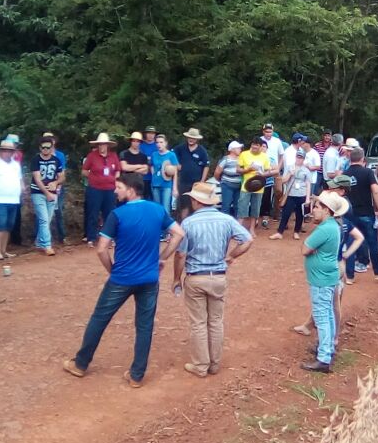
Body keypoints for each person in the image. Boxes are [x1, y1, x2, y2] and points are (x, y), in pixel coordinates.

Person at [64, 173, 184, 387]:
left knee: (99, 318)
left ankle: (80, 364)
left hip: (122, 278)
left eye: (119, 187)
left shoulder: (117, 215)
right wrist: (162, 258)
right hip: (149, 278)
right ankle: (137, 375)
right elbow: (179, 234)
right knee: (144, 325)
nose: (115, 191)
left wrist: (112, 270)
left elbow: (101, 249)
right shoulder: (158, 210)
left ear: (131, 190)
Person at [172, 182, 254, 377]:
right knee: (216, 321)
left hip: (196, 277)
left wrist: (176, 278)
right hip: (218, 276)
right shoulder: (226, 220)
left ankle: (201, 365)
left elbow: (181, 255)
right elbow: (247, 239)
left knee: (199, 323)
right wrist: (231, 256)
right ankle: (214, 364)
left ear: (196, 201)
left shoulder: (189, 223)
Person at [299, 192, 363, 373]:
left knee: (322, 316)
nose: (314, 209)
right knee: (327, 314)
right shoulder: (334, 225)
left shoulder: (325, 228)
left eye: (317, 207)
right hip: (328, 275)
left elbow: (305, 249)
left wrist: (311, 248)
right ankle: (327, 348)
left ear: (327, 210)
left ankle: (324, 357)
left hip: (321, 278)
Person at [342, 147, 378, 283]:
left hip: (349, 214)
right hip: (366, 213)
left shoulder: (345, 174)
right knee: (372, 243)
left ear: (350, 158)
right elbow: (376, 191)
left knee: (351, 243)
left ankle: (349, 276)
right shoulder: (368, 172)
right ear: (362, 158)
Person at [83, 133, 121, 246]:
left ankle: (109, 237)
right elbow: (84, 171)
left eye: (104, 144)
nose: (102, 146)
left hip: (110, 188)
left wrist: (115, 180)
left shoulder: (113, 156)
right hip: (95, 188)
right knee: (93, 213)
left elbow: (118, 170)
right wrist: (93, 177)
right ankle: (91, 237)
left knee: (109, 214)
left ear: (107, 145)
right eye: (100, 144)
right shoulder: (92, 156)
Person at [30, 135, 64, 255]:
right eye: (43, 147)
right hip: (38, 192)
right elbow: (37, 179)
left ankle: (39, 242)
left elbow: (62, 176)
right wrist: (47, 192)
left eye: (48, 147)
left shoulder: (56, 160)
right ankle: (47, 245)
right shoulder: (35, 160)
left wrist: (56, 183)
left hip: (52, 193)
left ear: (52, 147)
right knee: (44, 219)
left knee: (47, 220)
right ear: (40, 148)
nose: (45, 149)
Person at [271, 147, 312, 240]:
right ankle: (280, 232)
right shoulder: (290, 167)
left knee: (299, 214)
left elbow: (308, 184)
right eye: (298, 157)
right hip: (290, 194)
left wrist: (307, 198)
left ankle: (296, 232)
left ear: (303, 159)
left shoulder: (306, 170)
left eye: (301, 157)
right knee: (286, 213)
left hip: (301, 194)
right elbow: (283, 180)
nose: (299, 159)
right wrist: (290, 174)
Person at [173, 128, 211, 220]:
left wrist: (202, 181)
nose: (191, 139)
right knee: (184, 205)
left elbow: (206, 166)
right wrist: (177, 164)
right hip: (183, 182)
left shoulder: (202, 150)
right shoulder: (180, 148)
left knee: (197, 205)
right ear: (187, 137)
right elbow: (171, 156)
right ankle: (184, 224)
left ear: (197, 139)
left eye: (193, 138)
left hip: (196, 183)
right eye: (190, 137)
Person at [236, 138, 271, 236]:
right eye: (253, 145)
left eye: (257, 145)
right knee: (242, 206)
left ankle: (252, 229)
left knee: (256, 208)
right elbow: (238, 170)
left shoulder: (264, 156)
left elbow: (268, 171)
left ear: (260, 147)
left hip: (259, 186)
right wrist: (248, 169)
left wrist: (263, 174)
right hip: (246, 185)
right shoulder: (244, 154)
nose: (254, 147)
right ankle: (238, 229)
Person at [258, 123, 285, 228]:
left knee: (279, 191)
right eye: (266, 131)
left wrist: (279, 167)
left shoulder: (277, 141)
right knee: (263, 193)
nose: (268, 133)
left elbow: (282, 155)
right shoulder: (259, 140)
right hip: (262, 169)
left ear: (273, 132)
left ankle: (276, 213)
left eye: (270, 131)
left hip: (275, 169)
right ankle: (263, 215)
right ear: (263, 131)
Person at [147, 133, 179, 212]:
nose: (159, 144)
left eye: (161, 142)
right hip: (155, 184)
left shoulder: (171, 155)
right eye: (157, 142)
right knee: (156, 207)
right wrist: (154, 175)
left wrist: (174, 188)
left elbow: (175, 172)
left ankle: (167, 220)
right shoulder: (154, 154)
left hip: (166, 184)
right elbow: (151, 165)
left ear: (165, 143)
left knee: (166, 208)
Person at [216, 141, 243, 217]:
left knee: (238, 206)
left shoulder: (241, 159)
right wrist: (221, 181)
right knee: (226, 206)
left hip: (239, 185)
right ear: (232, 149)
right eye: (238, 148)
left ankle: (236, 222)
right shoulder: (225, 159)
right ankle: (224, 222)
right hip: (227, 185)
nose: (240, 149)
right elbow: (217, 172)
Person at [119, 132, 151, 197]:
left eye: (137, 141)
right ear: (131, 141)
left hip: (138, 185)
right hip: (126, 184)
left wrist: (130, 169)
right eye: (134, 141)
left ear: (140, 143)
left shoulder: (143, 156)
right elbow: (124, 167)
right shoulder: (124, 153)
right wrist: (140, 166)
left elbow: (145, 171)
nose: (135, 143)